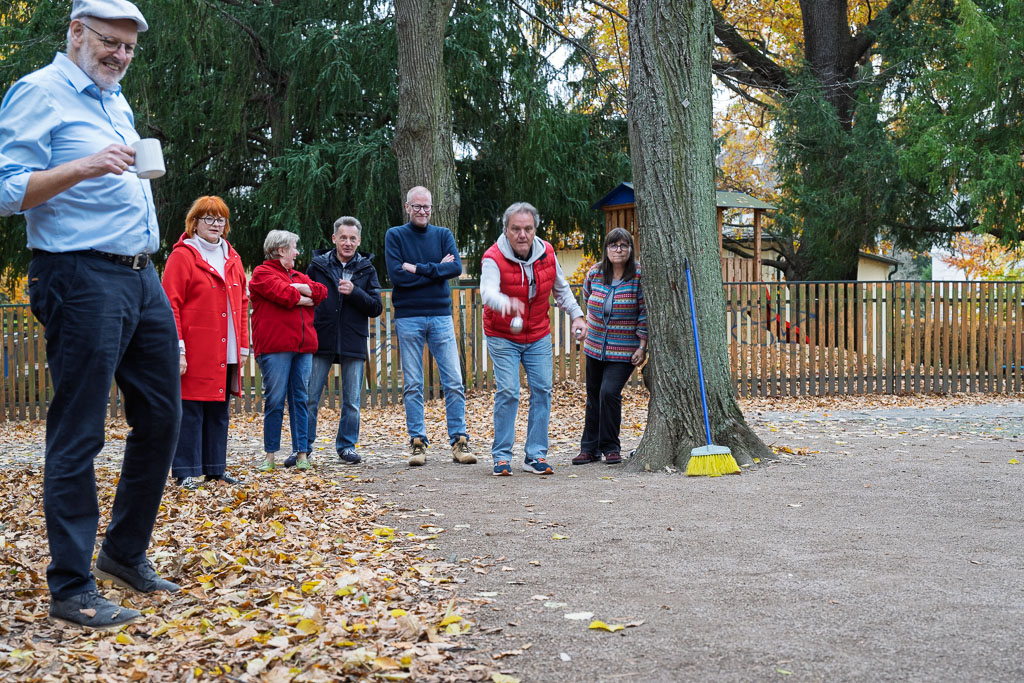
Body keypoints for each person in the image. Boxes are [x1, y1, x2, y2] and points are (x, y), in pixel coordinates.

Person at [0, 0, 181, 629]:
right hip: (78, 274)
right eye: (110, 42)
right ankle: (71, 587)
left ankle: (123, 555)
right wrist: (83, 166)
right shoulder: (39, 92)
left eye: (130, 47)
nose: (121, 56)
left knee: (163, 416)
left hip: (140, 276)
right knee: (80, 430)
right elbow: (4, 189)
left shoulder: (114, 101)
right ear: (76, 33)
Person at [480, 202, 586, 476]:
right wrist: (507, 304)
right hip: (502, 335)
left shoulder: (547, 253)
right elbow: (488, 293)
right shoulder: (493, 257)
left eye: (527, 228)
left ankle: (535, 456)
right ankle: (501, 457)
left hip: (538, 333)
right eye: (516, 229)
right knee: (509, 391)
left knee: (542, 390)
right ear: (506, 229)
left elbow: (561, 289)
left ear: (535, 229)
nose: (522, 234)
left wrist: (576, 315)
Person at [384, 186, 476, 467]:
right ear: (407, 206)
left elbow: (455, 269)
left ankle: (459, 440)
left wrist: (418, 268)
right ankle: (417, 443)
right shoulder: (395, 235)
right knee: (413, 383)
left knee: (454, 381)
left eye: (427, 207)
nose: (423, 211)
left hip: (440, 316)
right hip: (408, 316)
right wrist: (436, 268)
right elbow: (397, 277)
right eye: (417, 206)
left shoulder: (443, 235)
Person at [162, 196, 249, 488]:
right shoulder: (182, 257)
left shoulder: (232, 258)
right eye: (209, 218)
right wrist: (178, 349)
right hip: (195, 350)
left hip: (226, 351)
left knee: (218, 411)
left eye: (220, 219)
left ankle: (215, 468)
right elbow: (169, 305)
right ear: (195, 223)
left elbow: (242, 303)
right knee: (190, 412)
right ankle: (186, 471)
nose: (215, 224)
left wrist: (244, 347)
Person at [305, 216, 383, 464]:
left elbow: (376, 307)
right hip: (320, 339)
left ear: (359, 240)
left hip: (353, 340)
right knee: (309, 398)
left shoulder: (367, 268)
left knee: (351, 400)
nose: (347, 243)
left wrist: (354, 292)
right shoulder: (317, 265)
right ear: (334, 239)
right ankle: (302, 447)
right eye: (343, 238)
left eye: (352, 238)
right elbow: (307, 298)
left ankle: (347, 446)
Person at [249, 230, 327, 472]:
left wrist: (302, 287)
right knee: (275, 400)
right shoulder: (261, 274)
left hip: (303, 347)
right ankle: (270, 455)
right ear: (281, 250)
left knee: (300, 399)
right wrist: (304, 296)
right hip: (275, 348)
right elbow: (283, 294)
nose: (297, 252)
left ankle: (302, 454)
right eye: (294, 247)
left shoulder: (297, 275)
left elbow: (321, 292)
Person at [573, 228, 647, 465]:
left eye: (624, 245)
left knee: (609, 393)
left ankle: (611, 447)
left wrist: (642, 345)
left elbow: (645, 312)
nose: (618, 250)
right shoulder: (595, 272)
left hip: (624, 348)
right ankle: (589, 448)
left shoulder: (638, 276)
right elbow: (587, 298)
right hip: (594, 346)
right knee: (594, 396)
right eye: (613, 245)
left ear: (630, 249)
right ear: (606, 249)